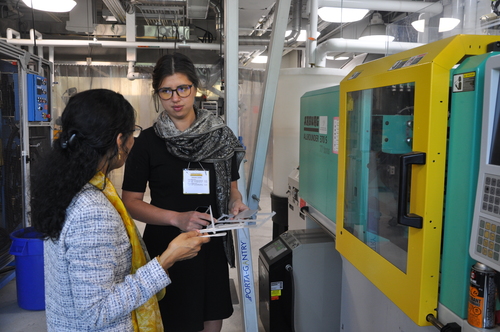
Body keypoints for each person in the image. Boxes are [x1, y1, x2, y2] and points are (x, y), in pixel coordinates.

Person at [31, 88, 210, 332]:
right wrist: (167, 258)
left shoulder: (65, 187)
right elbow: (97, 313)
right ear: (118, 141)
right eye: (131, 133)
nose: (133, 141)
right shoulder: (93, 212)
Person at [121, 52, 247, 332]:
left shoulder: (220, 136)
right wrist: (177, 218)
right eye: (166, 91)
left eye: (182, 88)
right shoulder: (148, 143)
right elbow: (131, 202)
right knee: (174, 319)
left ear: (195, 88)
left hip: (210, 242)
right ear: (158, 94)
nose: (175, 98)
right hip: (168, 247)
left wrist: (236, 203)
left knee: (211, 313)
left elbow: (233, 190)